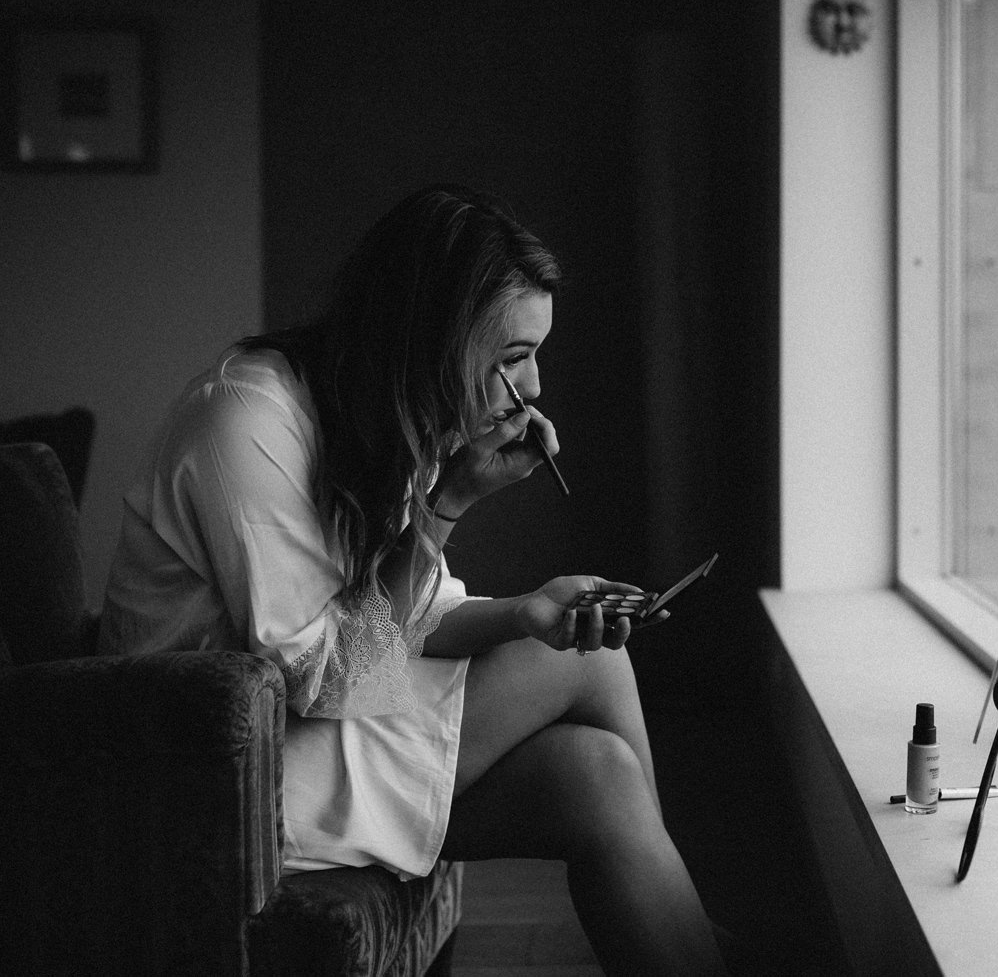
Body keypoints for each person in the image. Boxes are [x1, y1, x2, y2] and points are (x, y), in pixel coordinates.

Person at [99, 185, 729, 975]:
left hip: (319, 717)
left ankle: (685, 930)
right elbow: (331, 677)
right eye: (511, 357)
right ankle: (693, 928)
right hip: (227, 770)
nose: (531, 388)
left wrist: (531, 611)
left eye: (535, 353)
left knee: (597, 775)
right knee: (595, 662)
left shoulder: (375, 409)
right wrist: (449, 500)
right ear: (432, 336)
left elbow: (404, 617)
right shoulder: (247, 422)